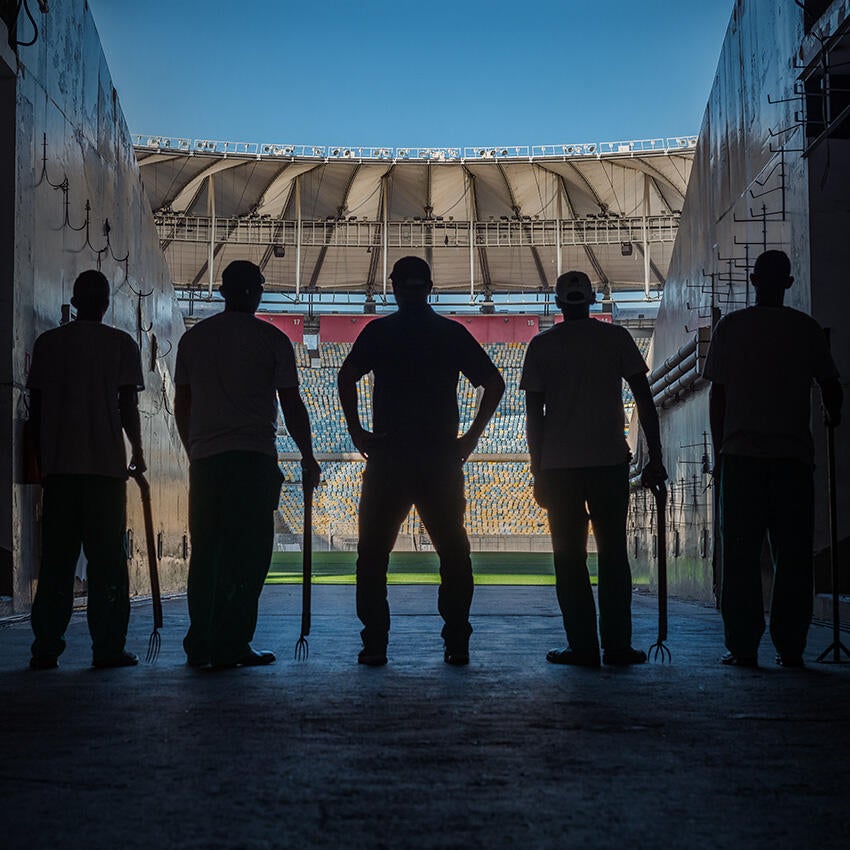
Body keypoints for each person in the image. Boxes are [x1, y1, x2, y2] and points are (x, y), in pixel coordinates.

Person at [338, 256, 505, 666]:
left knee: (373, 556)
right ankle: (456, 643)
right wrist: (470, 438)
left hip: (389, 457)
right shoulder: (450, 333)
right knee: (453, 552)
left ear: (394, 288)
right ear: (430, 288)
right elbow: (494, 383)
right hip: (438, 458)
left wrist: (357, 431)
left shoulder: (380, 332)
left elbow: (346, 377)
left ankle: (375, 643)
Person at [174, 260, 320, 669]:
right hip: (253, 459)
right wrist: (307, 456)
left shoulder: (194, 340)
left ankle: (200, 640)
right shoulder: (271, 340)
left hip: (207, 462)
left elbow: (182, 404)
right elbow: (291, 405)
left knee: (207, 553)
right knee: (248, 556)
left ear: (222, 292)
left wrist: (194, 450)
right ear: (256, 293)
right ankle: (233, 642)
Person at [704, 250, 842, 668]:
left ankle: (743, 645)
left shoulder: (731, 327)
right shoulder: (806, 329)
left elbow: (718, 395)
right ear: (789, 283)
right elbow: (832, 385)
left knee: (740, 557)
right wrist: (832, 417)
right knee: (794, 557)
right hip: (793, 459)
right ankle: (791, 646)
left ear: (752, 280)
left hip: (742, 456)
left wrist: (720, 450)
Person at [521, 271, 666, 667]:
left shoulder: (541, 345)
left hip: (560, 468)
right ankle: (617, 646)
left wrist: (538, 470)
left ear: (557, 304)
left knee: (568, 559)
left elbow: (535, 415)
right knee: (614, 556)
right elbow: (645, 400)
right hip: (608, 463)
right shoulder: (615, 339)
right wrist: (655, 456)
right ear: (591, 299)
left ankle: (582, 646)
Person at [27, 269, 145, 669]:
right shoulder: (121, 345)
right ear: (107, 304)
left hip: (60, 471)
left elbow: (37, 411)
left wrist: (43, 463)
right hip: (105, 472)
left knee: (56, 563)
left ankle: (46, 645)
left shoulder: (48, 344)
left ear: (74, 303)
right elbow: (127, 406)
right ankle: (108, 646)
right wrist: (139, 452)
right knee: (108, 564)